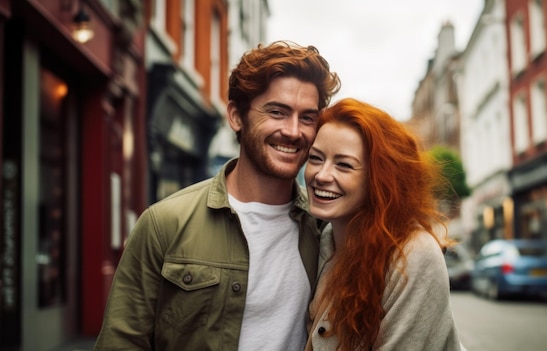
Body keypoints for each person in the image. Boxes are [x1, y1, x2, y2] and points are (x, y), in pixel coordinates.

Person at [94, 41, 341, 350]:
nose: (294, 131)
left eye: (307, 117)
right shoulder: (164, 224)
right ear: (236, 116)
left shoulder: (327, 231)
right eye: (277, 112)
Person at [304, 98, 464, 350]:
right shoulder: (325, 239)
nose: (321, 175)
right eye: (315, 158)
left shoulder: (412, 253)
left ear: (379, 179)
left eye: (344, 165)